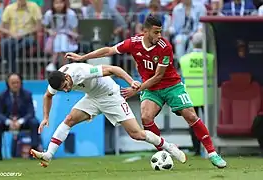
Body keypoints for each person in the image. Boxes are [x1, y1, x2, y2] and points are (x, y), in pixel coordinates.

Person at [64, 15, 227, 168]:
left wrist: (136, 89)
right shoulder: (133, 43)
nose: (159, 36)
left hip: (171, 85)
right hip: (151, 89)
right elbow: (108, 50)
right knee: (146, 117)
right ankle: (164, 152)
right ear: (145, 31)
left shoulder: (165, 47)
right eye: (156, 32)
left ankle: (212, 153)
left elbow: (158, 76)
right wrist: (82, 58)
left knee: (190, 115)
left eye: (160, 32)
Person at [30, 63, 186, 167]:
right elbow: (47, 96)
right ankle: (49, 154)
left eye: (66, 86)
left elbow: (113, 69)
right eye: (62, 89)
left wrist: (131, 82)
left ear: (67, 77)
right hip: (92, 98)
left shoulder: (81, 72)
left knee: (136, 134)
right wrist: (45, 117)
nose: (66, 90)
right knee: (69, 119)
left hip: (110, 95)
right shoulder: (57, 81)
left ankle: (169, 147)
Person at [179, 32, 214, 156]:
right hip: (207, 95)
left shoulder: (184, 59)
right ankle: (211, 148)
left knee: (193, 124)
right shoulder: (211, 58)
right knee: (209, 123)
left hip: (191, 96)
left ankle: (197, 149)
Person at [0, 73, 40, 160]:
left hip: (23, 122)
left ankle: (34, 151)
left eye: (17, 82)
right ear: (8, 83)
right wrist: (8, 122)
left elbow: (31, 112)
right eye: (13, 83)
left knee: (34, 122)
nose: (15, 85)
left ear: (21, 83)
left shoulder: (27, 94)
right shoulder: (2, 95)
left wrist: (20, 121)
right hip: (8, 123)